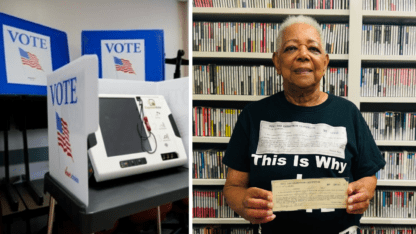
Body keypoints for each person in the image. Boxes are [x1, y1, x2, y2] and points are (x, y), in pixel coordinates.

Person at [222, 15, 386, 234]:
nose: (303, 55)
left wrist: (364, 190)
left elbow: (368, 174)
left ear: (325, 62)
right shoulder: (253, 115)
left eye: (314, 49)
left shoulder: (348, 113)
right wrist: (243, 202)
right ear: (277, 61)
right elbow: (233, 187)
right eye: (291, 48)